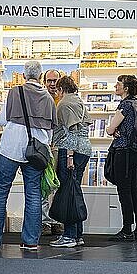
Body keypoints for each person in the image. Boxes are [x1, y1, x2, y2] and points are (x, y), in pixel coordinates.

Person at [0, 61, 57, 251]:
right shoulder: (48, 98)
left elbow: (1, 119)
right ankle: (30, 241)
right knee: (33, 195)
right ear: (40, 77)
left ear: (24, 75)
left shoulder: (15, 92)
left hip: (11, 148)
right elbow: (50, 130)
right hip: (36, 152)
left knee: (1, 193)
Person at [50, 76, 92, 248]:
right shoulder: (79, 102)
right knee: (73, 190)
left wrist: (69, 157)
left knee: (67, 191)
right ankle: (77, 234)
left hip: (70, 151)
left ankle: (69, 235)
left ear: (60, 89)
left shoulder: (65, 104)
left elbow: (70, 133)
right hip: (84, 149)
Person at [106, 74, 137, 241]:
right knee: (134, 189)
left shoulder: (125, 105)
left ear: (126, 88)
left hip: (122, 151)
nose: (116, 86)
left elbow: (110, 129)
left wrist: (112, 129)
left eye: (119, 84)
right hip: (134, 152)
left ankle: (126, 229)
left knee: (123, 190)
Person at [41, 68, 63, 235]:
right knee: (44, 185)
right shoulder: (42, 98)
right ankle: (44, 221)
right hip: (44, 147)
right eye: (49, 80)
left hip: (59, 147)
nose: (52, 84)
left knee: (57, 184)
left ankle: (55, 220)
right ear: (44, 82)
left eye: (55, 80)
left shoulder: (63, 99)